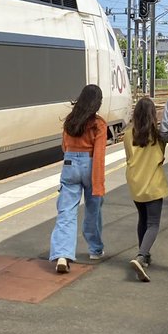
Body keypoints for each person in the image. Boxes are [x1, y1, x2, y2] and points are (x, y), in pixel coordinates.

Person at [49, 83, 107, 273]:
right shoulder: (98, 124)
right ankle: (95, 249)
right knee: (93, 209)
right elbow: (99, 155)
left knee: (66, 212)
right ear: (97, 103)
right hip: (91, 165)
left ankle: (62, 255)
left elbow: (64, 147)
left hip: (70, 165)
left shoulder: (70, 121)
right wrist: (98, 184)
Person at [123, 96, 168, 282]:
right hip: (153, 184)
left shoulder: (128, 134)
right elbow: (162, 152)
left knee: (142, 219)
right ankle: (141, 256)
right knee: (153, 223)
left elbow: (129, 157)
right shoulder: (157, 136)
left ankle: (145, 254)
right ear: (152, 115)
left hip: (135, 183)